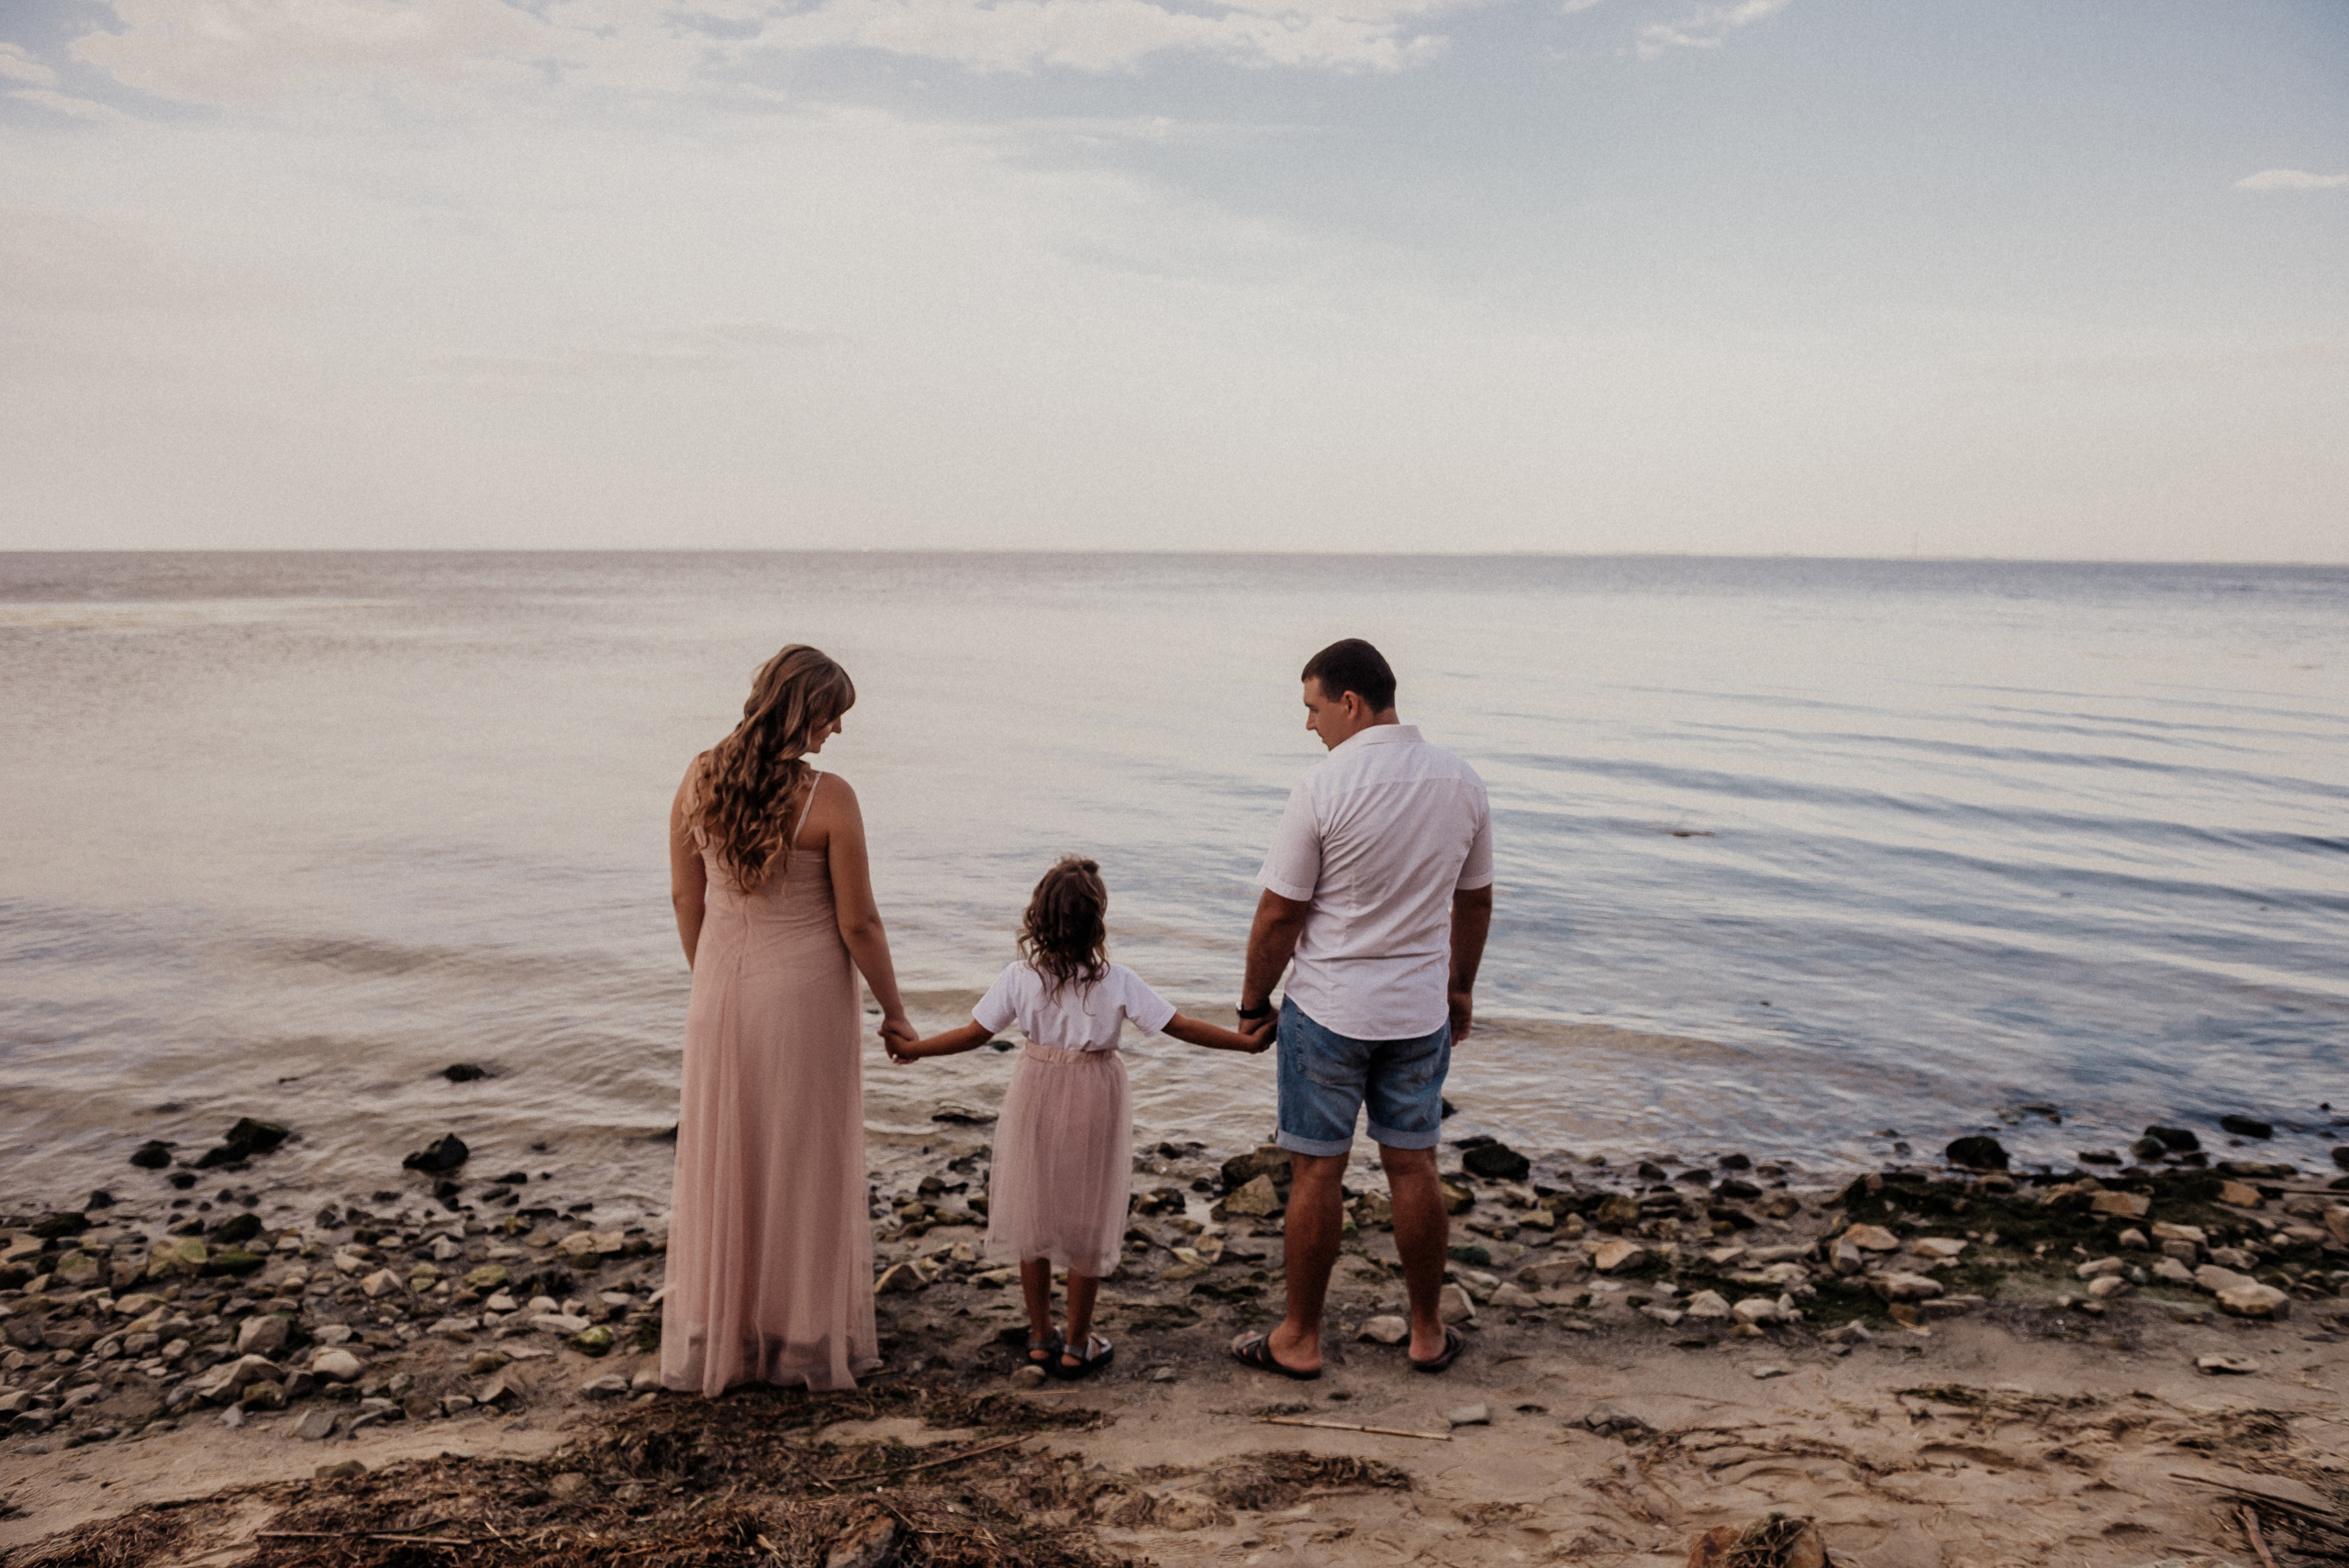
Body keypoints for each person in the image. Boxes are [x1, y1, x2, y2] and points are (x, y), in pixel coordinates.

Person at [888, 856, 1268, 1380]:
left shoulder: (1020, 978)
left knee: (1033, 1213)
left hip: (1034, 1092)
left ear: (1037, 918)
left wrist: (919, 1048)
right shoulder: (1118, 980)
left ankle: (1041, 1337)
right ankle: (1077, 1342)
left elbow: (975, 1034)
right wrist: (1244, 1044)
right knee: (1088, 1218)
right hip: (1094, 1095)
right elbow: (1179, 1025)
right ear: (1098, 922)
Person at [1229, 638, 1494, 1380]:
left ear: (1349, 702)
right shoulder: (1461, 780)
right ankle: (1428, 1332)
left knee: (1317, 1174)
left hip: (1330, 1009)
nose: (1309, 725)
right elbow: (1474, 900)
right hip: (1417, 1010)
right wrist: (1460, 985)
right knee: (1414, 1167)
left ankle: (1301, 1338)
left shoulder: (1323, 786)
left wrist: (1253, 1002)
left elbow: (1280, 911)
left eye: (1313, 708)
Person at [661, 643, 917, 1396]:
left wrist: (709, 976)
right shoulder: (828, 797)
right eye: (834, 715)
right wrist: (895, 1011)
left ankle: (730, 1329)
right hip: (803, 996)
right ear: (807, 708)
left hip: (721, 990)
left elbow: (686, 899)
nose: (837, 731)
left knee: (727, 1153)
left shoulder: (699, 775)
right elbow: (860, 920)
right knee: (802, 1157)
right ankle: (802, 1334)